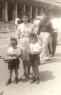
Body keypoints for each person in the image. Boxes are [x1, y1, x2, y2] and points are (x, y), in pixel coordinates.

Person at [15, 12, 33, 79]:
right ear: (22, 18)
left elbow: (34, 35)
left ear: (28, 18)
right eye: (23, 17)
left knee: (29, 59)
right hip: (22, 43)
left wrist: (33, 44)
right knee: (23, 59)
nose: (25, 19)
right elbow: (17, 35)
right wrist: (18, 44)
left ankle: (28, 71)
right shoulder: (19, 26)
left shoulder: (32, 25)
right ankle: (24, 72)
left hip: (30, 43)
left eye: (26, 17)